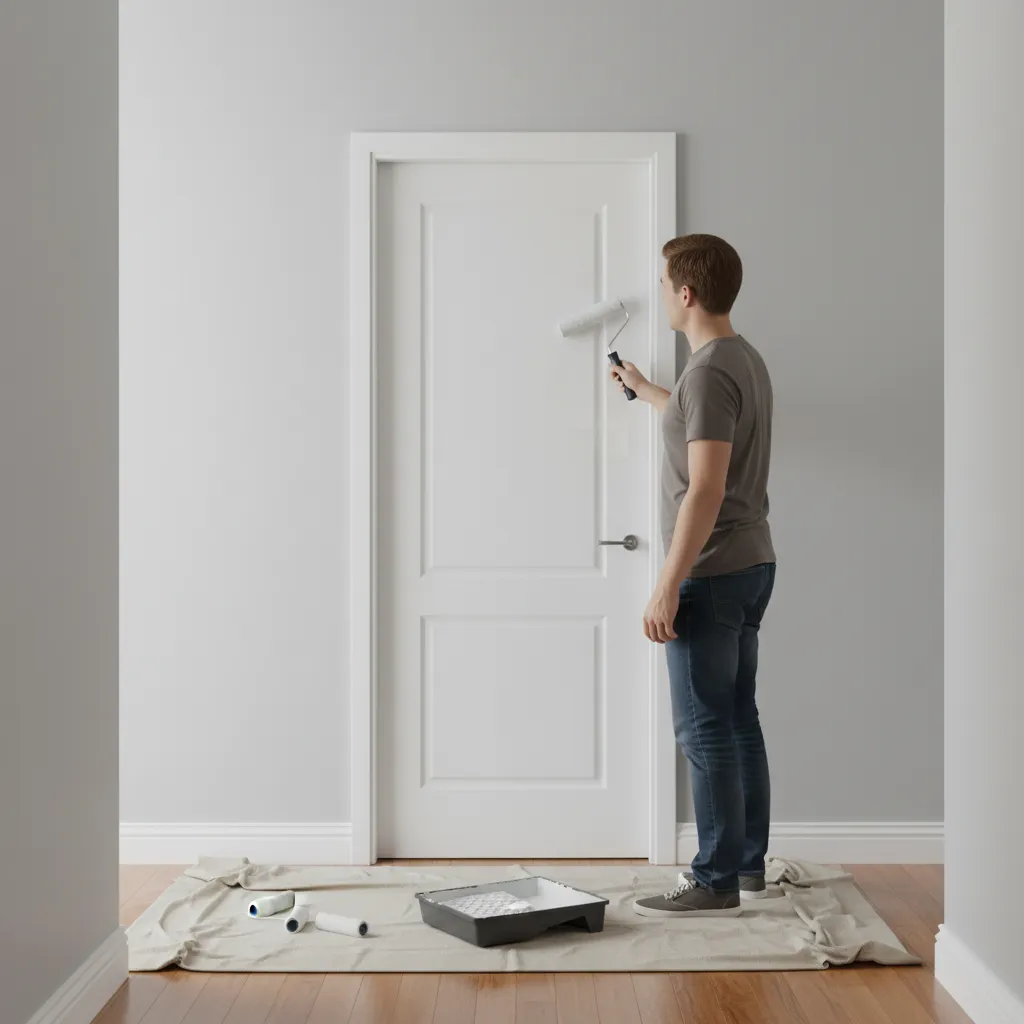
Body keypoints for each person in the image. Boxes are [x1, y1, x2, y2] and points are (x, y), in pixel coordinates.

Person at [614, 234, 777, 918]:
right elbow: (695, 424)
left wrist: (665, 584)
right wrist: (650, 391)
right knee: (737, 719)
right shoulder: (738, 360)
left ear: (686, 293)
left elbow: (705, 486)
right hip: (751, 564)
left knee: (704, 728)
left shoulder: (708, 373)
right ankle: (745, 866)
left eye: (663, 283)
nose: (660, 292)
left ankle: (713, 881)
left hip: (709, 574)